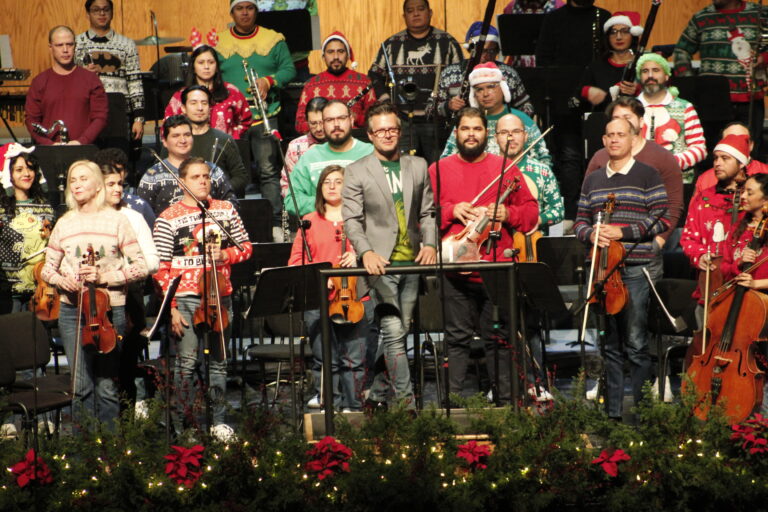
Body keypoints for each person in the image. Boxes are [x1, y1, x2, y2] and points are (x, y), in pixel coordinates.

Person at [429, 107, 538, 403]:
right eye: (465, 129)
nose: (471, 134)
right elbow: (423, 217)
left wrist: (508, 212)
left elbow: (530, 215)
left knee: (499, 340)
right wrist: (451, 210)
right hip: (454, 269)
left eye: (477, 129)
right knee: (456, 339)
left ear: (486, 134)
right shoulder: (438, 169)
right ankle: (453, 403)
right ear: (457, 133)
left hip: (496, 268)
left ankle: (504, 404)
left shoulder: (505, 167)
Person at [573, 118, 670, 420]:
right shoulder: (593, 179)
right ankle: (613, 414)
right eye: (610, 135)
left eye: (621, 135)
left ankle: (642, 415)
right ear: (603, 140)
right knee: (610, 346)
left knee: (637, 344)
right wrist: (592, 234)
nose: (615, 140)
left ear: (632, 139)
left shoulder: (647, 174)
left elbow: (663, 219)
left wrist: (622, 233)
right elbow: (579, 222)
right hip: (602, 271)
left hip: (636, 268)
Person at [343, 101, 437, 411]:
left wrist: (430, 244)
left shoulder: (418, 165)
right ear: (369, 135)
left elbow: (428, 211)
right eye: (381, 130)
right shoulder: (356, 171)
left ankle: (378, 391)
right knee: (394, 333)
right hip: (380, 266)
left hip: (412, 263)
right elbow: (352, 221)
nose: (387, 134)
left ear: (400, 132)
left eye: (392, 129)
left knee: (401, 331)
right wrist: (365, 252)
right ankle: (406, 405)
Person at [41, 160, 148, 425]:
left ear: (98, 184)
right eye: (72, 180)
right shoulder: (64, 223)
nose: (76, 185)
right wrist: (62, 281)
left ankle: (110, 454)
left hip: (109, 311)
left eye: (82, 179)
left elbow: (141, 266)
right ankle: (83, 456)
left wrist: (105, 277)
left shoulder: (117, 220)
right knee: (81, 386)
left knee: (107, 386)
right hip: (72, 310)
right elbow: (47, 270)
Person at [152, 157, 252, 440]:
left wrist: (227, 255)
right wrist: (170, 308)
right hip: (184, 297)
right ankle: (186, 424)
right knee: (186, 363)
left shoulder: (225, 210)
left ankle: (218, 421)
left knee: (219, 361)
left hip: (220, 295)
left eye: (206, 176)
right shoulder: (167, 217)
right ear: (182, 181)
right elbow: (161, 268)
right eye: (196, 177)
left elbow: (246, 247)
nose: (204, 181)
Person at [215, 0, 296, 240]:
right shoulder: (218, 42)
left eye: (250, 8)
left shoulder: (273, 39)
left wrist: (269, 80)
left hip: (265, 115)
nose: (245, 13)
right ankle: (232, 223)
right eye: (239, 8)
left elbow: (289, 69)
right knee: (231, 172)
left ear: (256, 11)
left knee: (269, 172)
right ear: (232, 12)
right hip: (231, 121)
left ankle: (274, 225)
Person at [288, 165, 367, 411]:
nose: (332, 186)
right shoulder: (309, 222)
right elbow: (295, 261)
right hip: (320, 299)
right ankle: (329, 407)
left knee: (354, 359)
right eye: (327, 182)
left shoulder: (358, 219)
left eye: (338, 181)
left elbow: (374, 251)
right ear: (320, 189)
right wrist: (319, 275)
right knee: (326, 358)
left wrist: (358, 256)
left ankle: (354, 408)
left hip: (354, 298)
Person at [535, 0, 611, 220]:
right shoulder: (554, 19)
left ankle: (600, 210)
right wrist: (576, 90)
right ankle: (571, 213)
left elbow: (610, 59)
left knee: (600, 155)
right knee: (569, 157)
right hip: (565, 101)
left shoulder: (603, 16)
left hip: (600, 100)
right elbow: (544, 62)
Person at [368, 0, 463, 162]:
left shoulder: (448, 42)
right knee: (404, 169)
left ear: (430, 13)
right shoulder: (391, 44)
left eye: (420, 9)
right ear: (404, 16)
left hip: (436, 122)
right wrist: (386, 101)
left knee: (437, 169)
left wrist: (450, 105)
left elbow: (461, 75)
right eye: (410, 11)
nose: (416, 14)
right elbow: (374, 74)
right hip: (402, 121)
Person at [586, 97, 683, 249]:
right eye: (616, 118)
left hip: (644, 248)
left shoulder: (662, 157)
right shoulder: (599, 158)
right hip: (604, 250)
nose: (621, 123)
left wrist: (660, 241)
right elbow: (586, 205)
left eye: (627, 118)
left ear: (641, 122)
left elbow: (673, 204)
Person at [674, 0, 768, 156]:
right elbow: (681, 51)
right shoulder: (702, 17)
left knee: (750, 152)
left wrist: (763, 58)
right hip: (712, 102)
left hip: (749, 99)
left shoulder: (760, 14)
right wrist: (690, 83)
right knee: (715, 152)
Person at [101, 163, 158, 409]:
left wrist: (117, 273)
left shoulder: (133, 216)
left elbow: (152, 262)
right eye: (110, 184)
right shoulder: (84, 218)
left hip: (129, 298)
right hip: (95, 301)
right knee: (100, 374)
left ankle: (127, 436)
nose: (118, 189)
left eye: (119, 184)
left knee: (125, 370)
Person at [681, 134, 751, 327]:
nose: (718, 163)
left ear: (741, 163)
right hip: (711, 285)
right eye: (716, 158)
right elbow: (688, 238)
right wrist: (700, 256)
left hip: (746, 286)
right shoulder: (703, 198)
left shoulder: (753, 197)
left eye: (725, 158)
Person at [441, 62, 549, 164]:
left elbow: (543, 159)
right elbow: (447, 158)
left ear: (503, 89)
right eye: (479, 90)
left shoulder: (521, 119)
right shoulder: (467, 122)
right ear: (474, 95)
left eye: (491, 87)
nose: (486, 94)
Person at [75, 0, 144, 150]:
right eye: (96, 10)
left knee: (118, 159)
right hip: (87, 113)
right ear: (87, 14)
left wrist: (139, 119)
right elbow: (68, 82)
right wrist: (82, 74)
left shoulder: (127, 44)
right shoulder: (76, 44)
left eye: (106, 9)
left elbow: (135, 83)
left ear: (112, 13)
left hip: (119, 113)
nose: (101, 13)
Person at [428, 22, 533, 120]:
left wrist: (512, 121)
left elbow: (527, 107)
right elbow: (429, 110)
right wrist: (448, 106)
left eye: (492, 51)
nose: (487, 56)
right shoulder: (450, 73)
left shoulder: (509, 74)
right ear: (471, 49)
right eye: (482, 51)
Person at [285, 100, 373, 217]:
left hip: (363, 229)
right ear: (323, 124)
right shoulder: (309, 158)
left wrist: (350, 204)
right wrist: (325, 205)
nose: (336, 124)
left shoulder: (370, 153)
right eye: (329, 120)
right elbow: (291, 201)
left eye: (341, 118)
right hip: (321, 230)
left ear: (351, 120)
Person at [137, 115, 238, 216]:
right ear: (165, 141)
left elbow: (232, 205)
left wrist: (215, 206)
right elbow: (142, 214)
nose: (183, 140)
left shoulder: (212, 170)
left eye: (187, 135)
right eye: (176, 136)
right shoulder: (152, 176)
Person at [25, 26, 108, 146]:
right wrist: (49, 144)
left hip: (84, 152)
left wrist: (81, 142)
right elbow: (31, 120)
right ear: (50, 47)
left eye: (69, 44)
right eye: (59, 45)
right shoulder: (39, 81)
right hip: (50, 151)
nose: (65, 50)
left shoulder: (91, 79)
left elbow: (100, 117)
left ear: (75, 46)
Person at [636, 53, 707, 183]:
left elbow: (700, 149)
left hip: (678, 182)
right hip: (638, 181)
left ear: (666, 76)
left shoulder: (685, 107)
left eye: (656, 70)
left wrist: (671, 163)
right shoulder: (630, 109)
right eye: (645, 71)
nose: (650, 75)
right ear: (640, 77)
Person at [0, 144, 54, 313]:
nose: (26, 174)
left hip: (41, 291)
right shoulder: (1, 208)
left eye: (30, 168)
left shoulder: (46, 206)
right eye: (19, 169)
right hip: (9, 292)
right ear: (8, 174)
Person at [172, 85, 249, 197]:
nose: (200, 108)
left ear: (210, 108)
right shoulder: (175, 141)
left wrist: (218, 190)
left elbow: (241, 177)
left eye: (204, 103)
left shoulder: (224, 140)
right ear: (183, 108)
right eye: (193, 103)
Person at [164, 44, 252, 140]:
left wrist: (231, 138)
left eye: (211, 62)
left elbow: (246, 120)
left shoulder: (231, 91)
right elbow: (167, 126)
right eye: (201, 63)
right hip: (191, 151)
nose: (206, 67)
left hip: (224, 149)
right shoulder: (180, 96)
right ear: (193, 67)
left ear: (217, 66)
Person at [294, 32, 376, 134]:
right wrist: (324, 122)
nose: (336, 56)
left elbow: (375, 121)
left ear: (347, 55)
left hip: (356, 141)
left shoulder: (364, 82)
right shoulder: (311, 85)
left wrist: (355, 117)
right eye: (330, 52)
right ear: (323, 56)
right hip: (322, 144)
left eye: (341, 51)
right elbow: (299, 124)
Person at [495, 113, 564, 232]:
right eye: (504, 132)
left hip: (533, 243)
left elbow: (558, 211)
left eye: (516, 131)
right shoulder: (488, 169)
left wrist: (536, 220)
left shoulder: (543, 171)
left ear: (525, 136)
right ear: (495, 138)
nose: (510, 137)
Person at [578, 11, 643, 112]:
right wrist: (587, 92)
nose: (618, 37)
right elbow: (578, 97)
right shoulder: (596, 67)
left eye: (624, 31)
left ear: (633, 35)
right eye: (613, 32)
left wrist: (638, 91)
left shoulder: (643, 63)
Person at [693, 122, 768, 198]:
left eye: (741, 140)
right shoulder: (706, 179)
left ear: (751, 145)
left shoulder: (765, 172)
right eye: (729, 140)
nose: (735, 145)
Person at [93, 147, 155, 228]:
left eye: (118, 170)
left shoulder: (139, 206)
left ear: (125, 172)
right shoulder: (87, 207)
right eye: (109, 170)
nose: (115, 173)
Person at [281, 97, 328, 198]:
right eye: (313, 123)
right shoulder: (295, 146)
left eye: (322, 122)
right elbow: (286, 185)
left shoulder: (340, 143)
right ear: (307, 121)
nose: (319, 128)